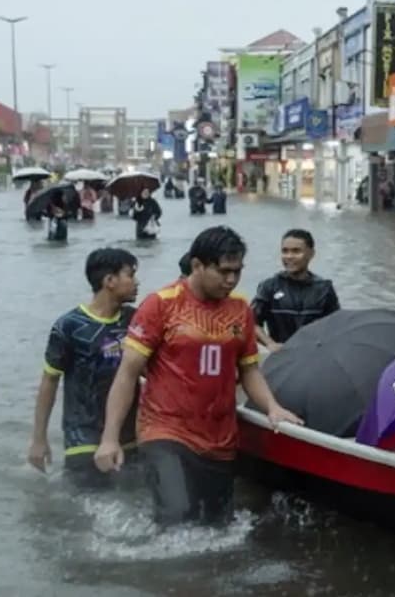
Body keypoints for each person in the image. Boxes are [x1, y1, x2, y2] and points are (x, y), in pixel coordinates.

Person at [94, 226, 303, 527]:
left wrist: (272, 407)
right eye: (223, 271)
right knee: (177, 517)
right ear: (197, 265)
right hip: (165, 431)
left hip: (220, 439)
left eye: (237, 271)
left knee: (217, 528)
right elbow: (127, 374)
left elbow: (248, 370)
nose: (231, 280)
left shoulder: (240, 310)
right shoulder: (161, 304)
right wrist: (109, 438)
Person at [28, 248, 141, 488]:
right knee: (85, 505)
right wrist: (39, 439)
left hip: (129, 437)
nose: (137, 282)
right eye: (130, 275)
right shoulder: (69, 326)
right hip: (83, 439)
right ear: (109, 281)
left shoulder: (136, 320)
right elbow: (49, 382)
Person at [252, 229, 341, 351]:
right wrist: (270, 344)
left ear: (311, 253)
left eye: (296, 251)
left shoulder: (324, 288)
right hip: (281, 353)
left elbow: (336, 325)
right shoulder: (269, 286)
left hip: (313, 353)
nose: (289, 256)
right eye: (285, 251)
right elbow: (252, 323)